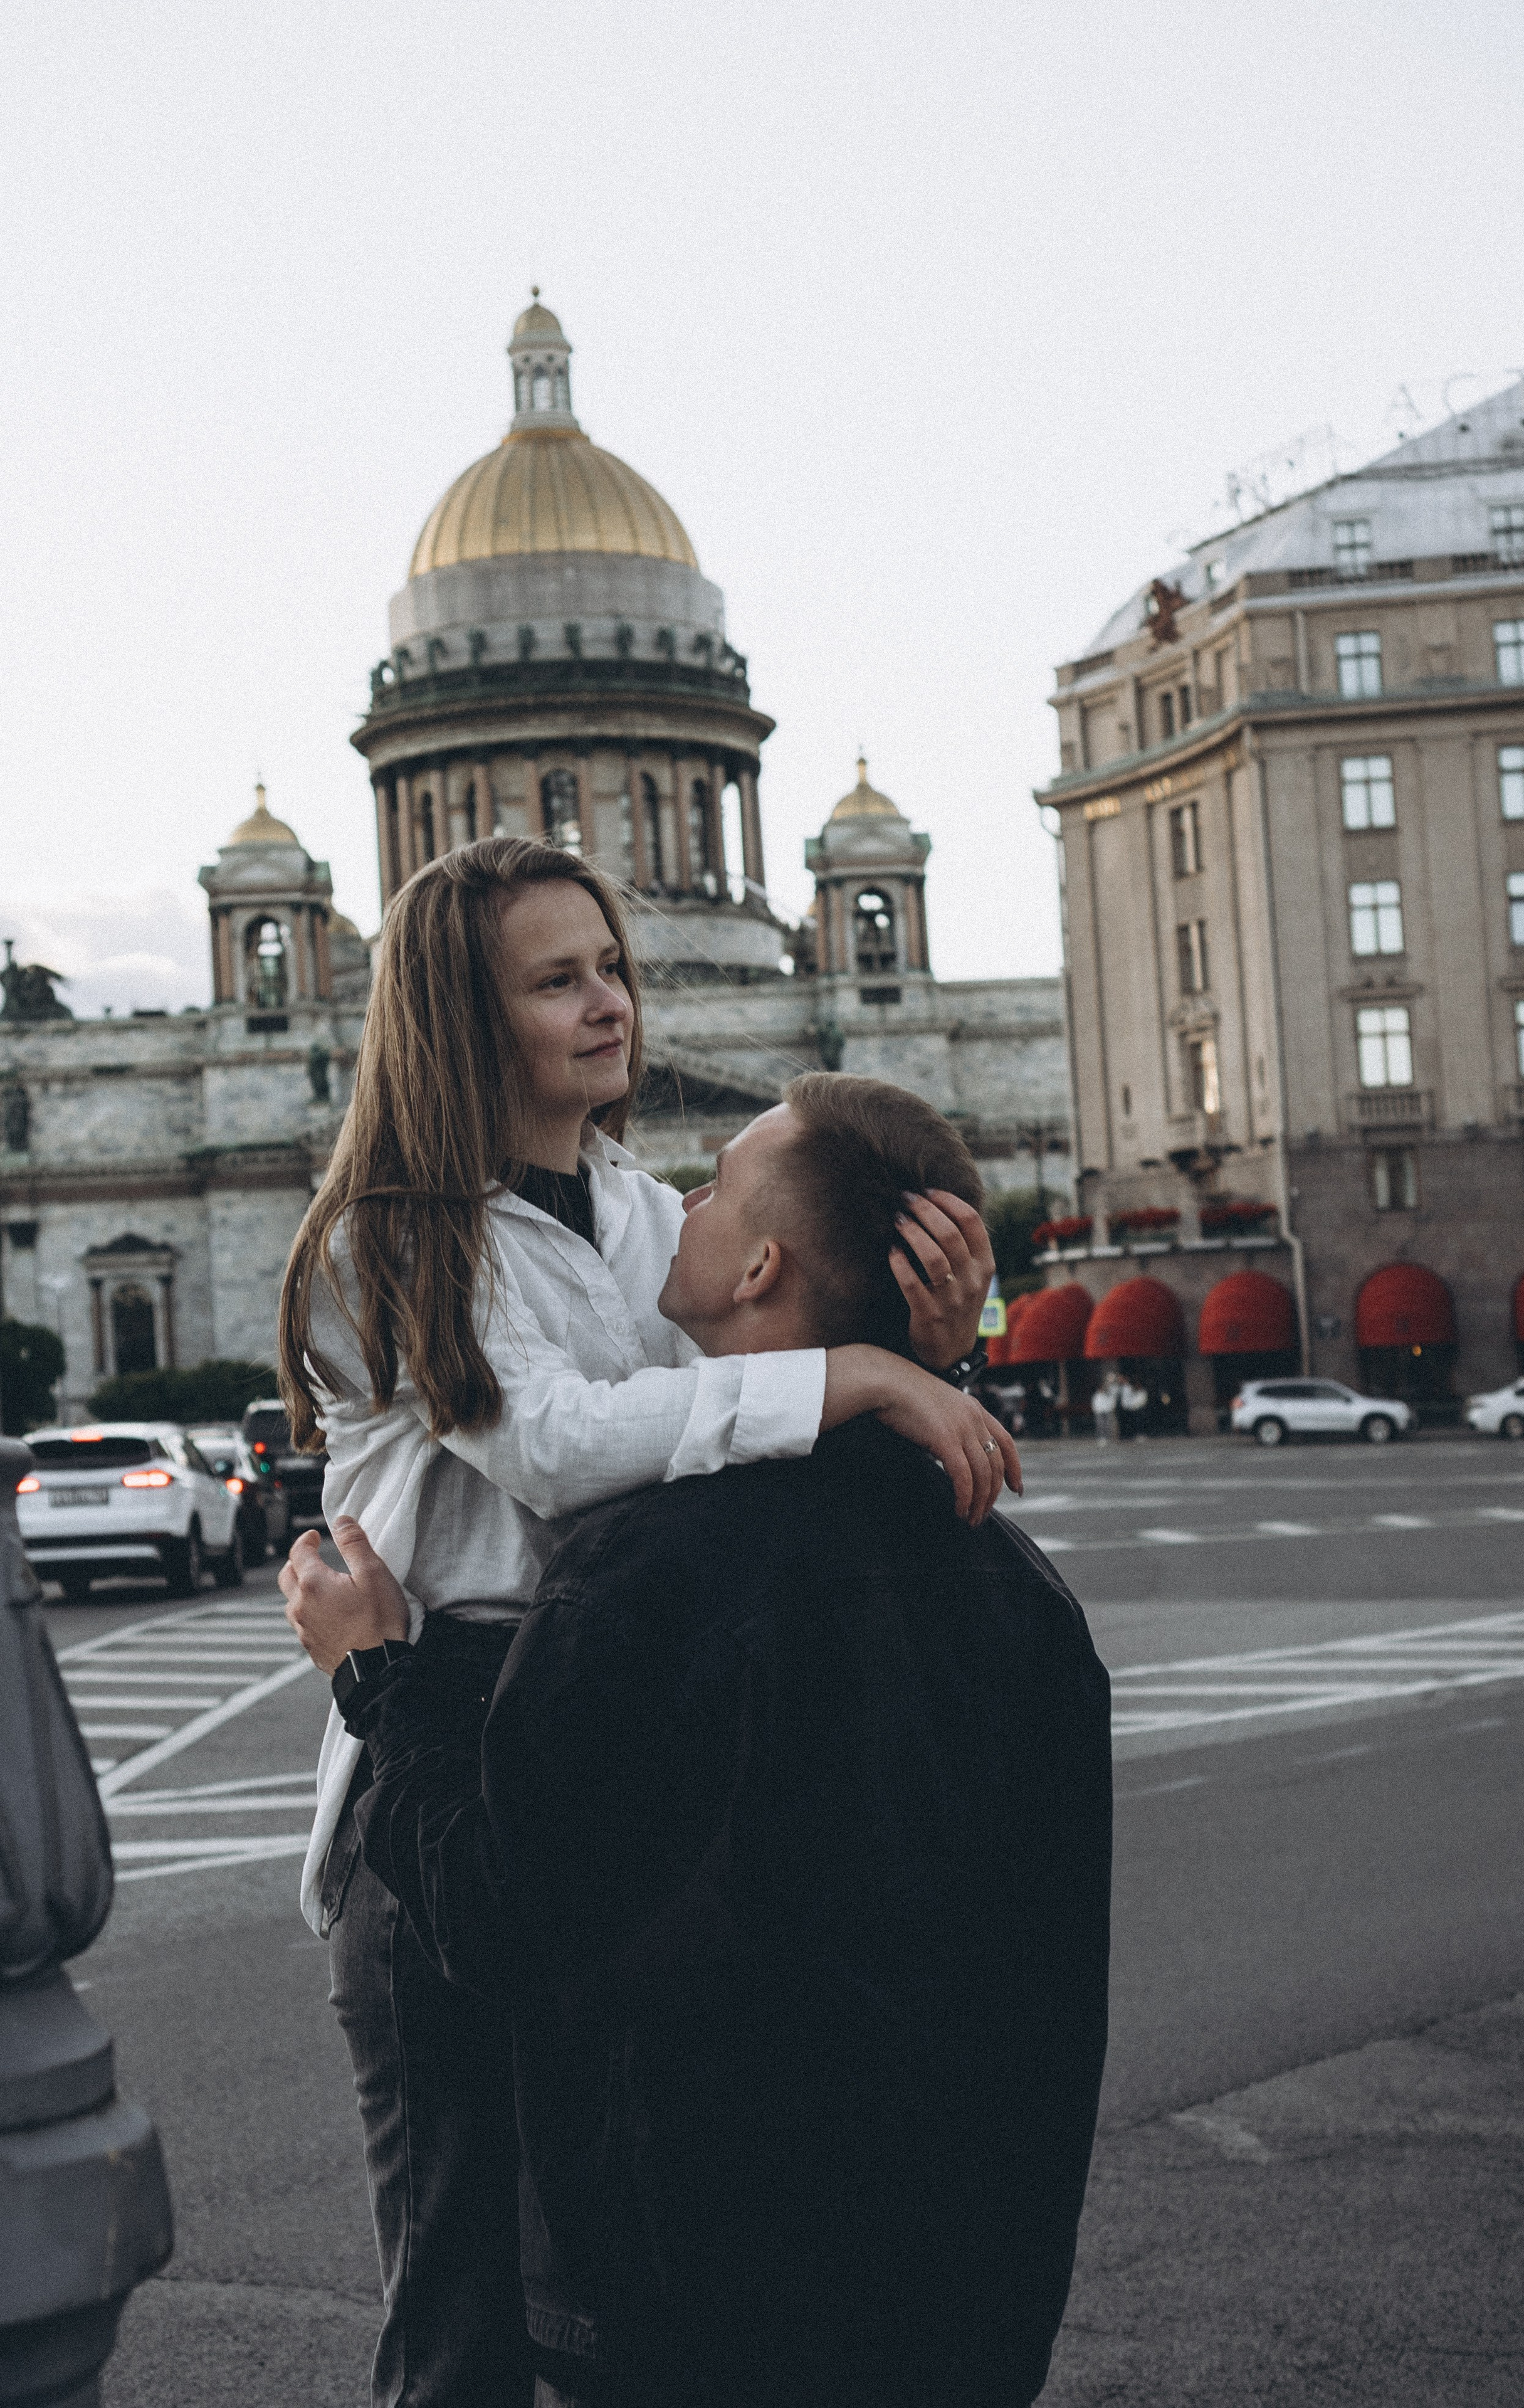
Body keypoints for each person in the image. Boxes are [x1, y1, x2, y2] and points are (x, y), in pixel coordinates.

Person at [277, 840, 1018, 2408]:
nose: (610, 1003)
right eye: (558, 981)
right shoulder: (389, 1235)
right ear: (456, 1021)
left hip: (608, 1742)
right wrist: (869, 1379)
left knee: (604, 2295)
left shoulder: (630, 1206)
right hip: (443, 1747)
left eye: (611, 965)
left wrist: (917, 1346)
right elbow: (553, 1440)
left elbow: (735, 1401)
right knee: (462, 2305)